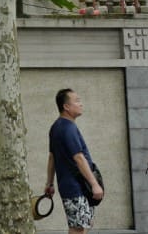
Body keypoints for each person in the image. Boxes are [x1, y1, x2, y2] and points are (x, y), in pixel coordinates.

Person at [44, 88, 103, 234]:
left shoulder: (56, 127)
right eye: (77, 101)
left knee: (81, 226)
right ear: (66, 107)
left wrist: (50, 183)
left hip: (70, 186)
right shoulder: (68, 128)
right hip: (76, 187)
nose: (81, 104)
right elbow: (79, 158)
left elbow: (52, 157)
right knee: (78, 229)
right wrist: (94, 184)